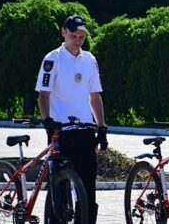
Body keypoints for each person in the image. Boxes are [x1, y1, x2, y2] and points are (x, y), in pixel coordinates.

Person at [35, 14, 108, 224]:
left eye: (82, 36)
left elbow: (95, 96)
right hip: (60, 129)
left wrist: (102, 127)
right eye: (74, 35)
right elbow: (44, 94)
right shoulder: (53, 59)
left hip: (85, 129)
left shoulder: (89, 60)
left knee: (88, 190)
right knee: (60, 188)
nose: (78, 40)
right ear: (64, 32)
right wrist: (47, 120)